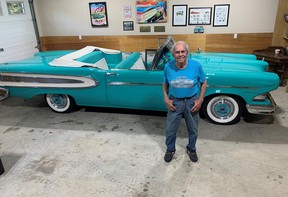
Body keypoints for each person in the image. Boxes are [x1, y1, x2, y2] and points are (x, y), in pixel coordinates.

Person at [162, 41, 207, 163]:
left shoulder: (196, 65)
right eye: (177, 52)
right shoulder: (168, 66)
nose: (180, 54)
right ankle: (170, 149)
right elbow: (165, 83)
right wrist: (166, 98)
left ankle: (191, 149)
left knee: (193, 129)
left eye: (183, 51)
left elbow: (203, 82)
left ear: (187, 52)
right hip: (175, 102)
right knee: (170, 129)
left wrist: (200, 99)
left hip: (192, 101)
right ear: (173, 54)